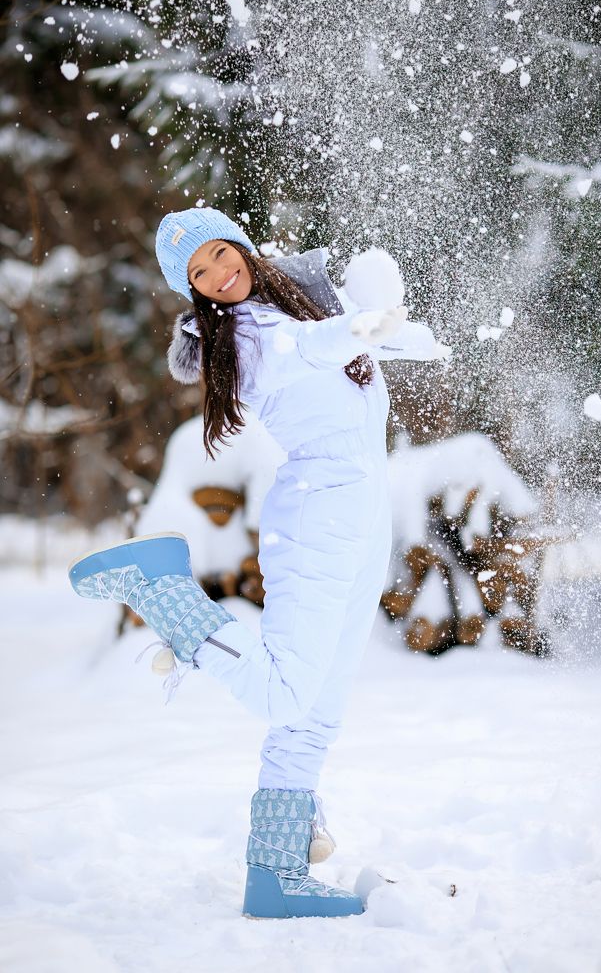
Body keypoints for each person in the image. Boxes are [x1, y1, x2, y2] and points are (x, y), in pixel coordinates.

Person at [68, 207, 448, 919]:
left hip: (364, 521)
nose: (217, 275)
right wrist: (357, 327)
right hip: (317, 518)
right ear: (191, 291)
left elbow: (395, 346)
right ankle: (162, 593)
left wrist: (386, 316)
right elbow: (309, 351)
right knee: (282, 694)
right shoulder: (243, 338)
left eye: (219, 254)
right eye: (198, 275)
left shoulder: (293, 302)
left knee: (317, 711)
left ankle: (276, 873)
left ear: (238, 243)